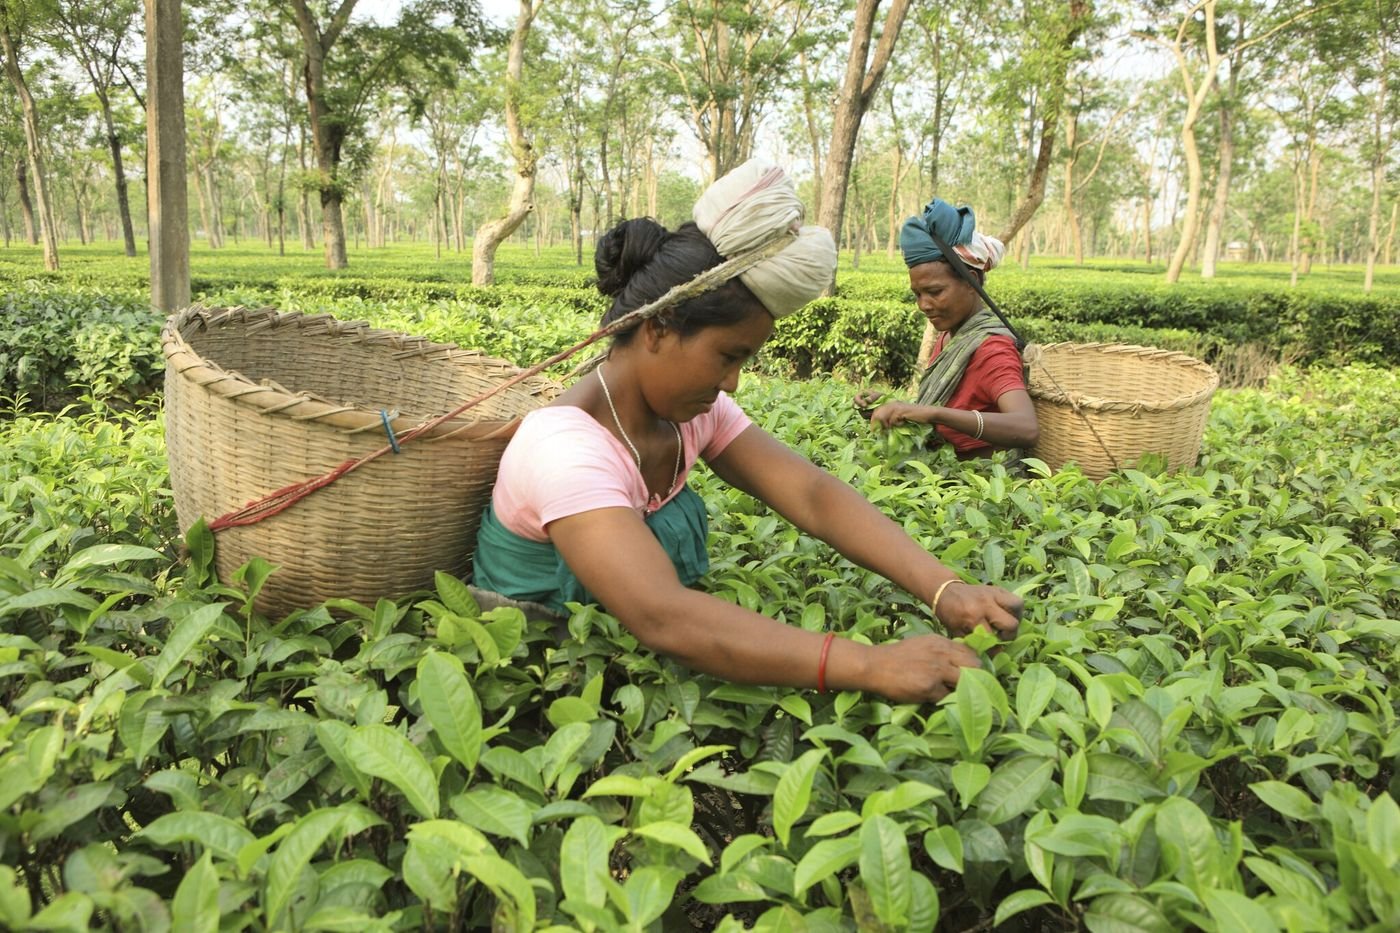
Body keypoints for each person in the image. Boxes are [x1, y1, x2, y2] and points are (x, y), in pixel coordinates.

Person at [473, 162, 1022, 703]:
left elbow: (812, 494)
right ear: (658, 329)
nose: (733, 382)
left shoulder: (688, 411)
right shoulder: (566, 449)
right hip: (539, 685)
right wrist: (872, 665)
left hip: (626, 668)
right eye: (727, 356)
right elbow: (664, 616)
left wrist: (944, 589)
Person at [855, 199, 1039, 458]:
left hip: (979, 479)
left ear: (970, 282)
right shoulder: (951, 336)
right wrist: (888, 405)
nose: (923, 305)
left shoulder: (992, 348)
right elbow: (951, 408)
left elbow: (1026, 427)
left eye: (935, 292)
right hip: (942, 468)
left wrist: (934, 414)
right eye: (917, 294)